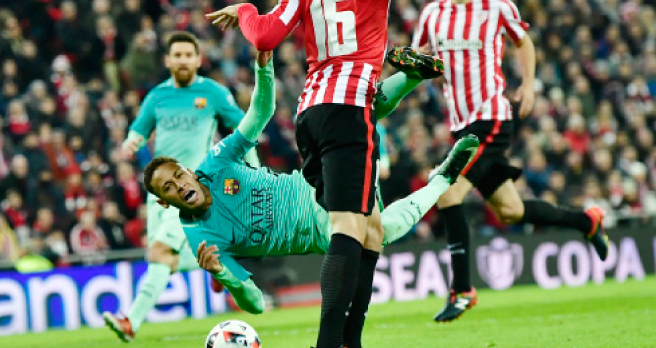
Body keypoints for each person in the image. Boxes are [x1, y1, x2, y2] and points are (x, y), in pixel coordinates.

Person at [205, 0, 437, 347]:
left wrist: (247, 11)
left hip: (311, 112)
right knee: (348, 226)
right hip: (352, 107)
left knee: (370, 228)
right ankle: (329, 343)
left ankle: (352, 340)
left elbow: (266, 36)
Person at [138, 50, 477, 320]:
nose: (178, 185)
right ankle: (443, 179)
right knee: (380, 231)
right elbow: (256, 305)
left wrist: (263, 67)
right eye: (168, 188)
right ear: (165, 203)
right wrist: (223, 276)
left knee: (347, 116)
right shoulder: (203, 239)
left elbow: (259, 113)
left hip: (316, 182)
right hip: (320, 233)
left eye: (178, 175)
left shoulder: (215, 163)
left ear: (188, 171)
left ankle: (411, 76)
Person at [411, 0, 609, 322]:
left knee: (448, 195)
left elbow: (524, 42)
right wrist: (417, 69)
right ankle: (587, 221)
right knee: (511, 210)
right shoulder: (433, 14)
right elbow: (420, 59)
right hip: (460, 124)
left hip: (493, 118)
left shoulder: (497, 7)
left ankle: (463, 289)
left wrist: (529, 83)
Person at [103, 31, 259, 342]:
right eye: (178, 55)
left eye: (189, 55)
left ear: (198, 59)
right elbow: (138, 130)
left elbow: (245, 128)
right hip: (159, 194)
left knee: (162, 251)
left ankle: (130, 322)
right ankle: (219, 266)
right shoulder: (157, 96)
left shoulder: (213, 93)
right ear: (168, 60)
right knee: (165, 260)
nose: (183, 60)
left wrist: (254, 169)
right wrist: (132, 141)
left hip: (191, 190)